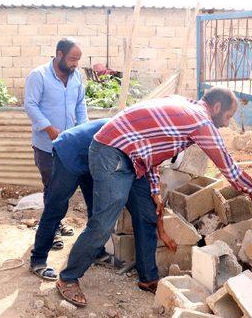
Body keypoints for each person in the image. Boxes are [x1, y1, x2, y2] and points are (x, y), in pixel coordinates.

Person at [56, 88, 252, 307]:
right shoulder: (200, 121)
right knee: (104, 222)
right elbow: (228, 166)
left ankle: (148, 278)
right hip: (111, 152)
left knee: (146, 214)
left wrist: (154, 191)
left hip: (135, 157)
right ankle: (68, 278)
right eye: (228, 116)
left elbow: (151, 149)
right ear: (217, 106)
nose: (227, 123)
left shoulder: (183, 105)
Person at [30, 118, 177, 284]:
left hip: (97, 159)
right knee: (56, 207)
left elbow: (150, 164)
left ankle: (97, 253)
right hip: (71, 152)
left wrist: (155, 192)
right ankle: (38, 259)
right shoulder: (138, 132)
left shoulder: (148, 138)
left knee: (98, 209)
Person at [24, 37, 88, 249]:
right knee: (52, 188)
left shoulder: (76, 76)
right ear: (59, 54)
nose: (75, 64)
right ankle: (50, 231)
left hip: (69, 146)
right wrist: (49, 128)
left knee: (64, 187)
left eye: (78, 60)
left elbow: (80, 105)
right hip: (46, 145)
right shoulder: (39, 76)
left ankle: (56, 223)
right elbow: (31, 105)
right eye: (72, 59)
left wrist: (83, 130)